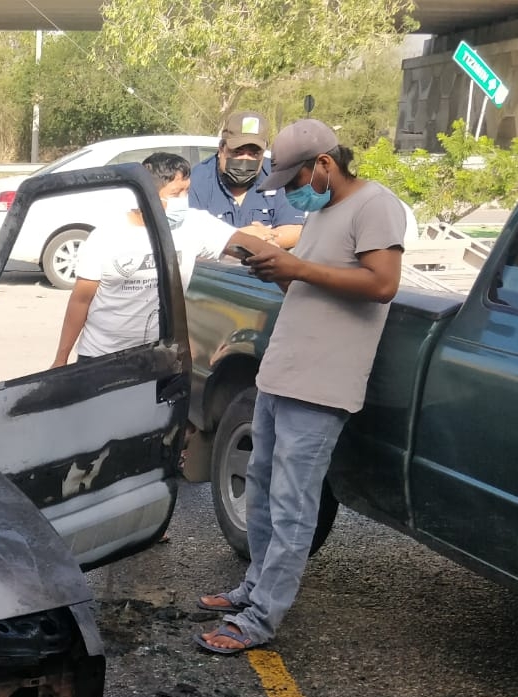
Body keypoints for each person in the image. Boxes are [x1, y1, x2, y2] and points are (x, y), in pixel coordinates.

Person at [195, 119, 405, 654]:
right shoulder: (325, 211)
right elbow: (309, 280)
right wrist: (279, 271)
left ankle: (262, 618)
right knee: (263, 487)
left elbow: (382, 284)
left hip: (323, 382)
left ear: (326, 165)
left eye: (295, 180)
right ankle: (253, 588)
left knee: (293, 502)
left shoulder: (375, 205)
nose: (291, 192)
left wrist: (299, 268)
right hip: (283, 372)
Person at [53, 153, 264, 366]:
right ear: (147, 195)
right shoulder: (107, 236)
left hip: (159, 358)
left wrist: (285, 263)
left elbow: (247, 245)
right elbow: (81, 300)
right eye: (175, 193)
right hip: (102, 358)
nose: (183, 200)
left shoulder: (193, 225)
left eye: (187, 191)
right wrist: (61, 358)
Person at [187, 112, 306, 249]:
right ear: (221, 149)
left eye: (254, 153)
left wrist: (262, 242)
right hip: (212, 269)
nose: (245, 159)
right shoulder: (197, 180)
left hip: (265, 265)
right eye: (237, 152)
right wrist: (243, 239)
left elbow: (295, 230)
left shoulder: (279, 177)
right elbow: (189, 236)